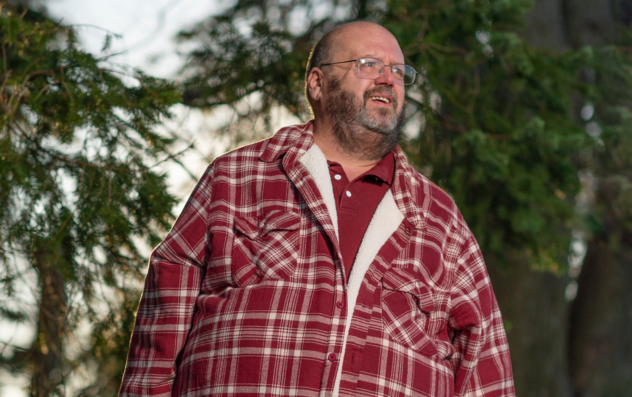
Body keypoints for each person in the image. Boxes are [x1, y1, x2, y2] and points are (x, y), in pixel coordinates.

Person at [120, 21, 515, 397]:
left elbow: (485, 365)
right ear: (317, 83)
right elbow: (161, 326)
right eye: (369, 64)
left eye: (398, 70)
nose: (387, 78)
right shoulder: (236, 178)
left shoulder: (441, 219)